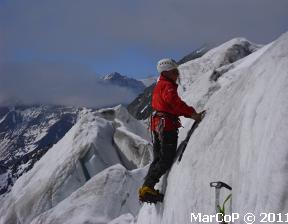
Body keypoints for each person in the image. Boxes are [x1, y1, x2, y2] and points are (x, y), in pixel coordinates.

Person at [138, 58, 205, 202]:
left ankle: (146, 188)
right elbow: (174, 102)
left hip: (158, 125)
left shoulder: (160, 84)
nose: (177, 74)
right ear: (167, 72)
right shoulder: (167, 86)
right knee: (166, 159)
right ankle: (148, 188)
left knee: (157, 158)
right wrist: (192, 113)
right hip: (166, 126)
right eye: (175, 71)